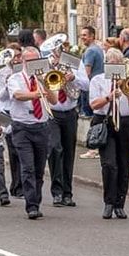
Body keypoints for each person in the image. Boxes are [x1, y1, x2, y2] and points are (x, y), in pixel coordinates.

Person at [6, 41, 57, 219]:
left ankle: (36, 199)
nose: (33, 65)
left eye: (36, 61)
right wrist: (36, 94)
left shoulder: (44, 77)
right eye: (30, 61)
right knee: (27, 167)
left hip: (41, 126)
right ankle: (31, 205)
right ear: (24, 62)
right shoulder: (15, 78)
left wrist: (45, 84)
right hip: (22, 127)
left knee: (39, 168)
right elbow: (18, 95)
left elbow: (54, 101)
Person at [90, 48, 129, 218]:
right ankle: (108, 202)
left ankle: (120, 203)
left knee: (124, 164)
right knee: (109, 164)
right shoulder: (98, 80)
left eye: (117, 64)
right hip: (105, 122)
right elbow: (93, 105)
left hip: (125, 122)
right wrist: (109, 97)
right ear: (106, 65)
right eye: (111, 65)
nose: (114, 67)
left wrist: (126, 88)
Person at [46, 44, 87, 206]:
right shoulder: (47, 63)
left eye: (59, 50)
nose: (56, 54)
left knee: (69, 152)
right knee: (55, 149)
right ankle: (56, 191)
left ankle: (67, 193)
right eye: (54, 52)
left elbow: (86, 85)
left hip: (70, 111)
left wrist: (73, 78)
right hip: (52, 112)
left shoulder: (75, 63)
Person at [0, 43, 22, 198]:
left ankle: (22, 185)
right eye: (14, 56)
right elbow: (1, 97)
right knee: (12, 149)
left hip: (20, 111)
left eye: (19, 56)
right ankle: (16, 186)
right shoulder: (1, 73)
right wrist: (7, 84)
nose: (17, 59)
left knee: (21, 150)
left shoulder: (24, 71)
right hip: (5, 112)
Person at [78, 26, 104, 158]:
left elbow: (86, 72)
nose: (83, 37)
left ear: (92, 36)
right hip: (99, 86)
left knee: (91, 117)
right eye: (82, 35)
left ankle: (93, 148)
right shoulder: (98, 49)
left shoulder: (90, 51)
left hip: (91, 87)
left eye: (85, 35)